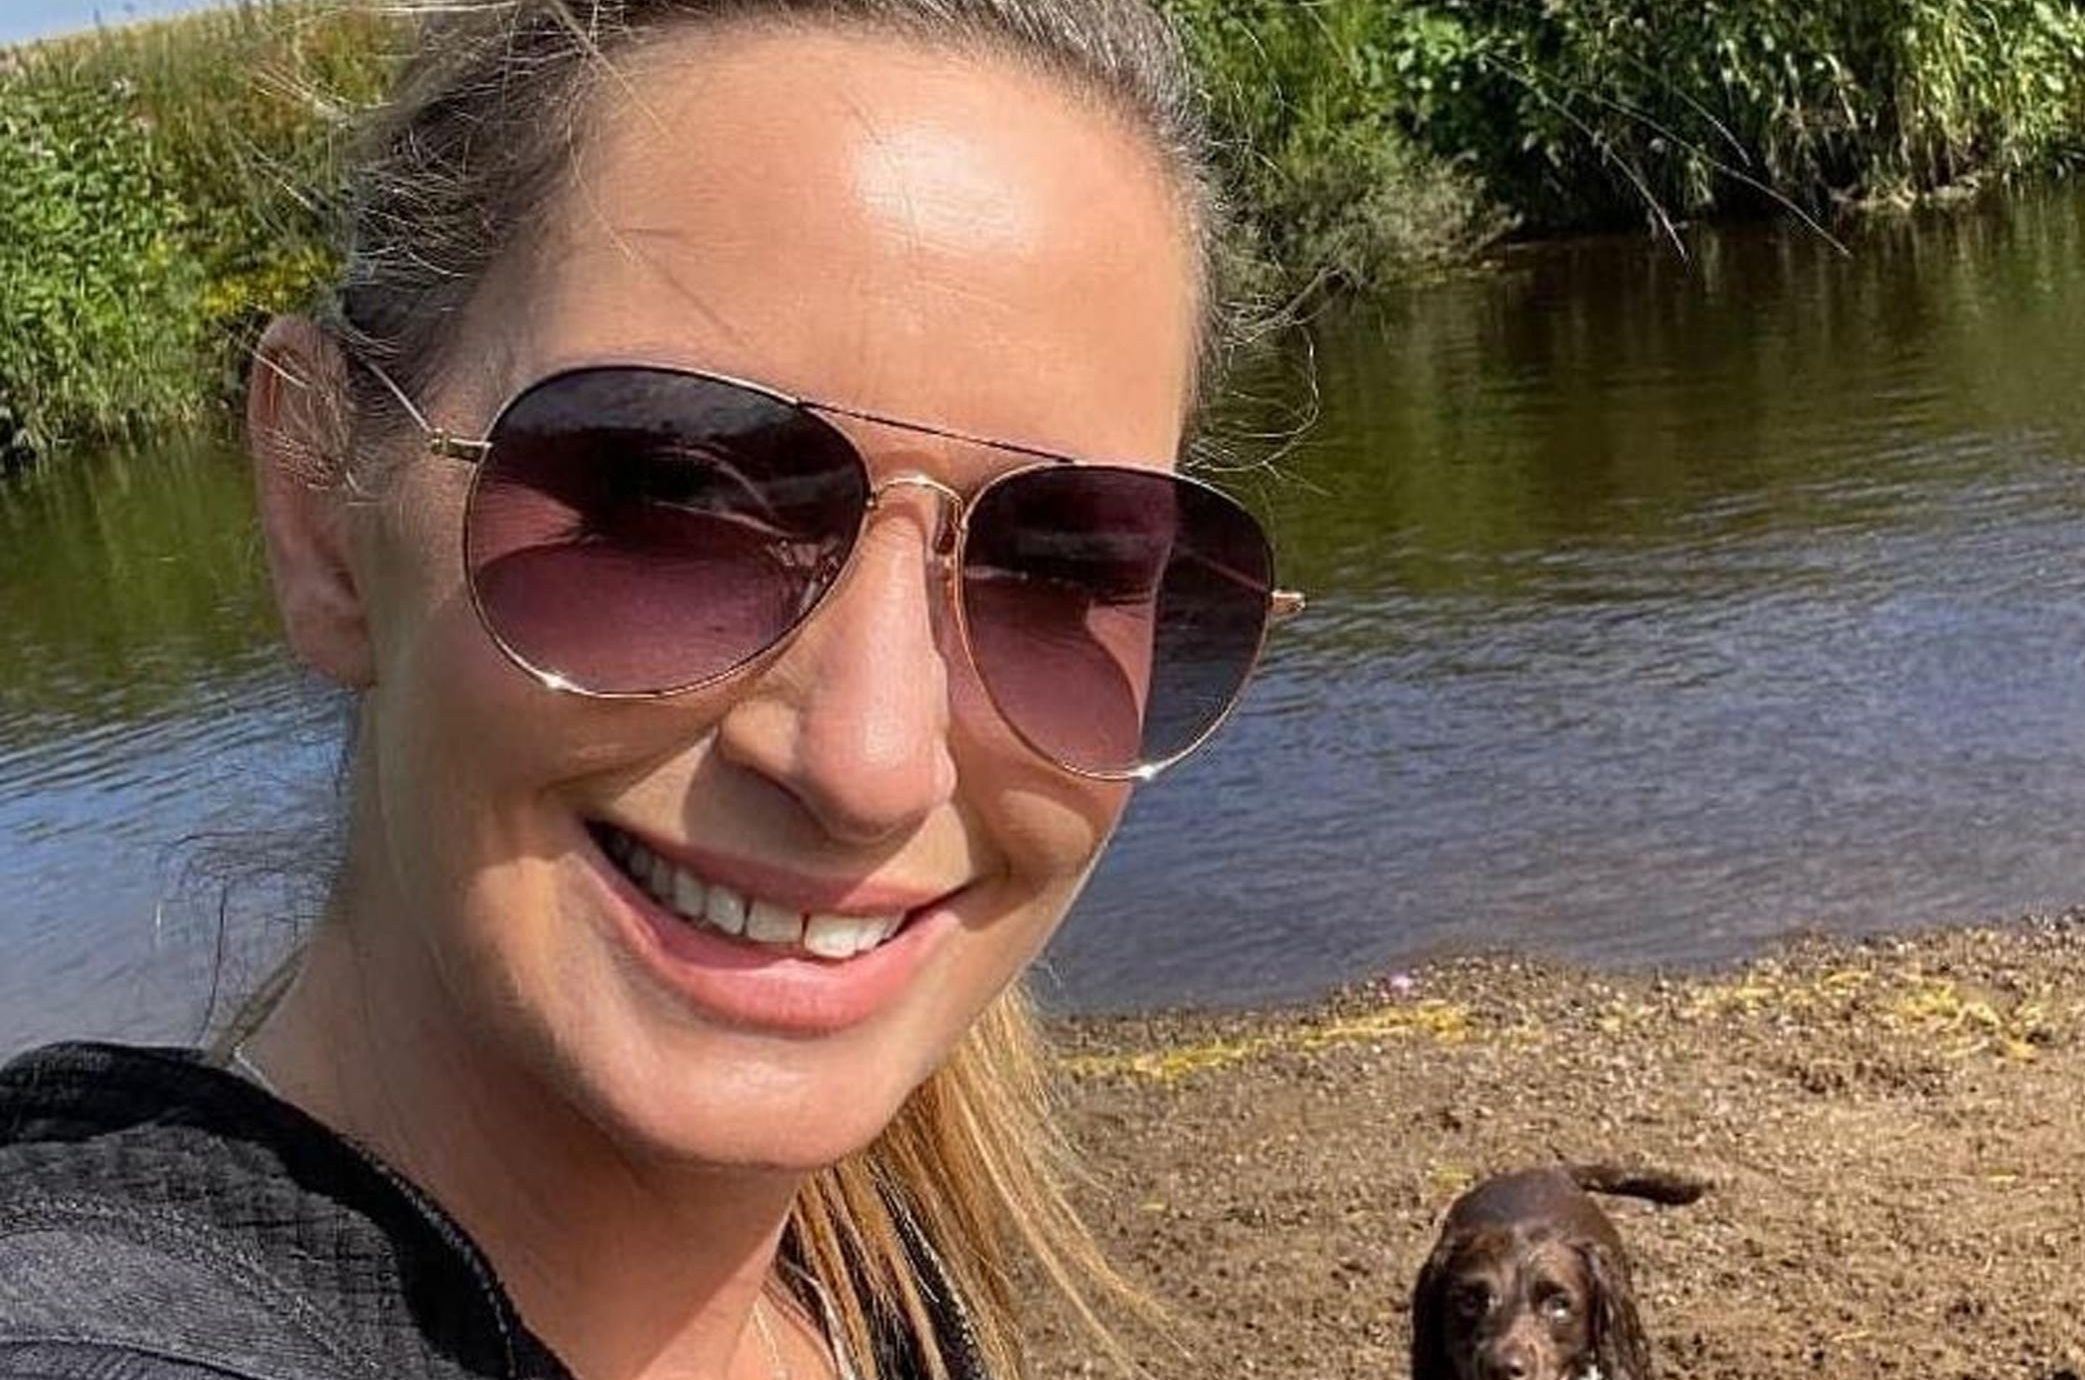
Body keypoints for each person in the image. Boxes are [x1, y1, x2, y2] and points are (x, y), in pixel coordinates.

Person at [0, 3, 1298, 1379]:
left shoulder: (858, 1279)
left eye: (1060, 565)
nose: (868, 766)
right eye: (673, 501)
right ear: (321, 509)